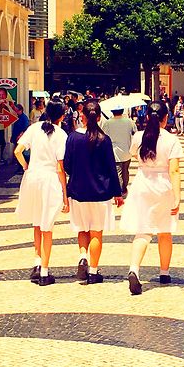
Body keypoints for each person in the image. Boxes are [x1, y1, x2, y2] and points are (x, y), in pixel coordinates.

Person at [122, 102, 182, 294]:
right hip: (163, 185)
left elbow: (132, 153)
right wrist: (177, 197)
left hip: (142, 184)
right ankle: (164, 272)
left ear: (147, 117)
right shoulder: (171, 140)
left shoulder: (139, 137)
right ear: (166, 118)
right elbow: (174, 170)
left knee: (143, 231)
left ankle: (134, 269)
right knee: (165, 231)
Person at [64, 102, 122, 284]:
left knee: (82, 228)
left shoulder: (73, 138)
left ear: (82, 116)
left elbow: (67, 165)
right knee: (96, 232)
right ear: (98, 117)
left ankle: (83, 256)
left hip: (78, 191)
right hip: (100, 193)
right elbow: (111, 168)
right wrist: (117, 193)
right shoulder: (104, 139)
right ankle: (94, 271)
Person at [14, 99, 69, 286]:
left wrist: (25, 166)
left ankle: (37, 262)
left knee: (37, 222)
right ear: (61, 116)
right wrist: (65, 193)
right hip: (49, 179)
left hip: (32, 178)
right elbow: (60, 166)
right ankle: (44, 272)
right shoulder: (61, 134)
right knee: (48, 226)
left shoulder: (34, 128)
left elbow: (17, 151)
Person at [103, 106, 135, 197]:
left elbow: (104, 136)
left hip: (115, 151)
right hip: (127, 150)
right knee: (126, 170)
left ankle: (121, 190)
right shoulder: (129, 121)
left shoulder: (108, 122)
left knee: (118, 171)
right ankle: (124, 188)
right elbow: (134, 132)